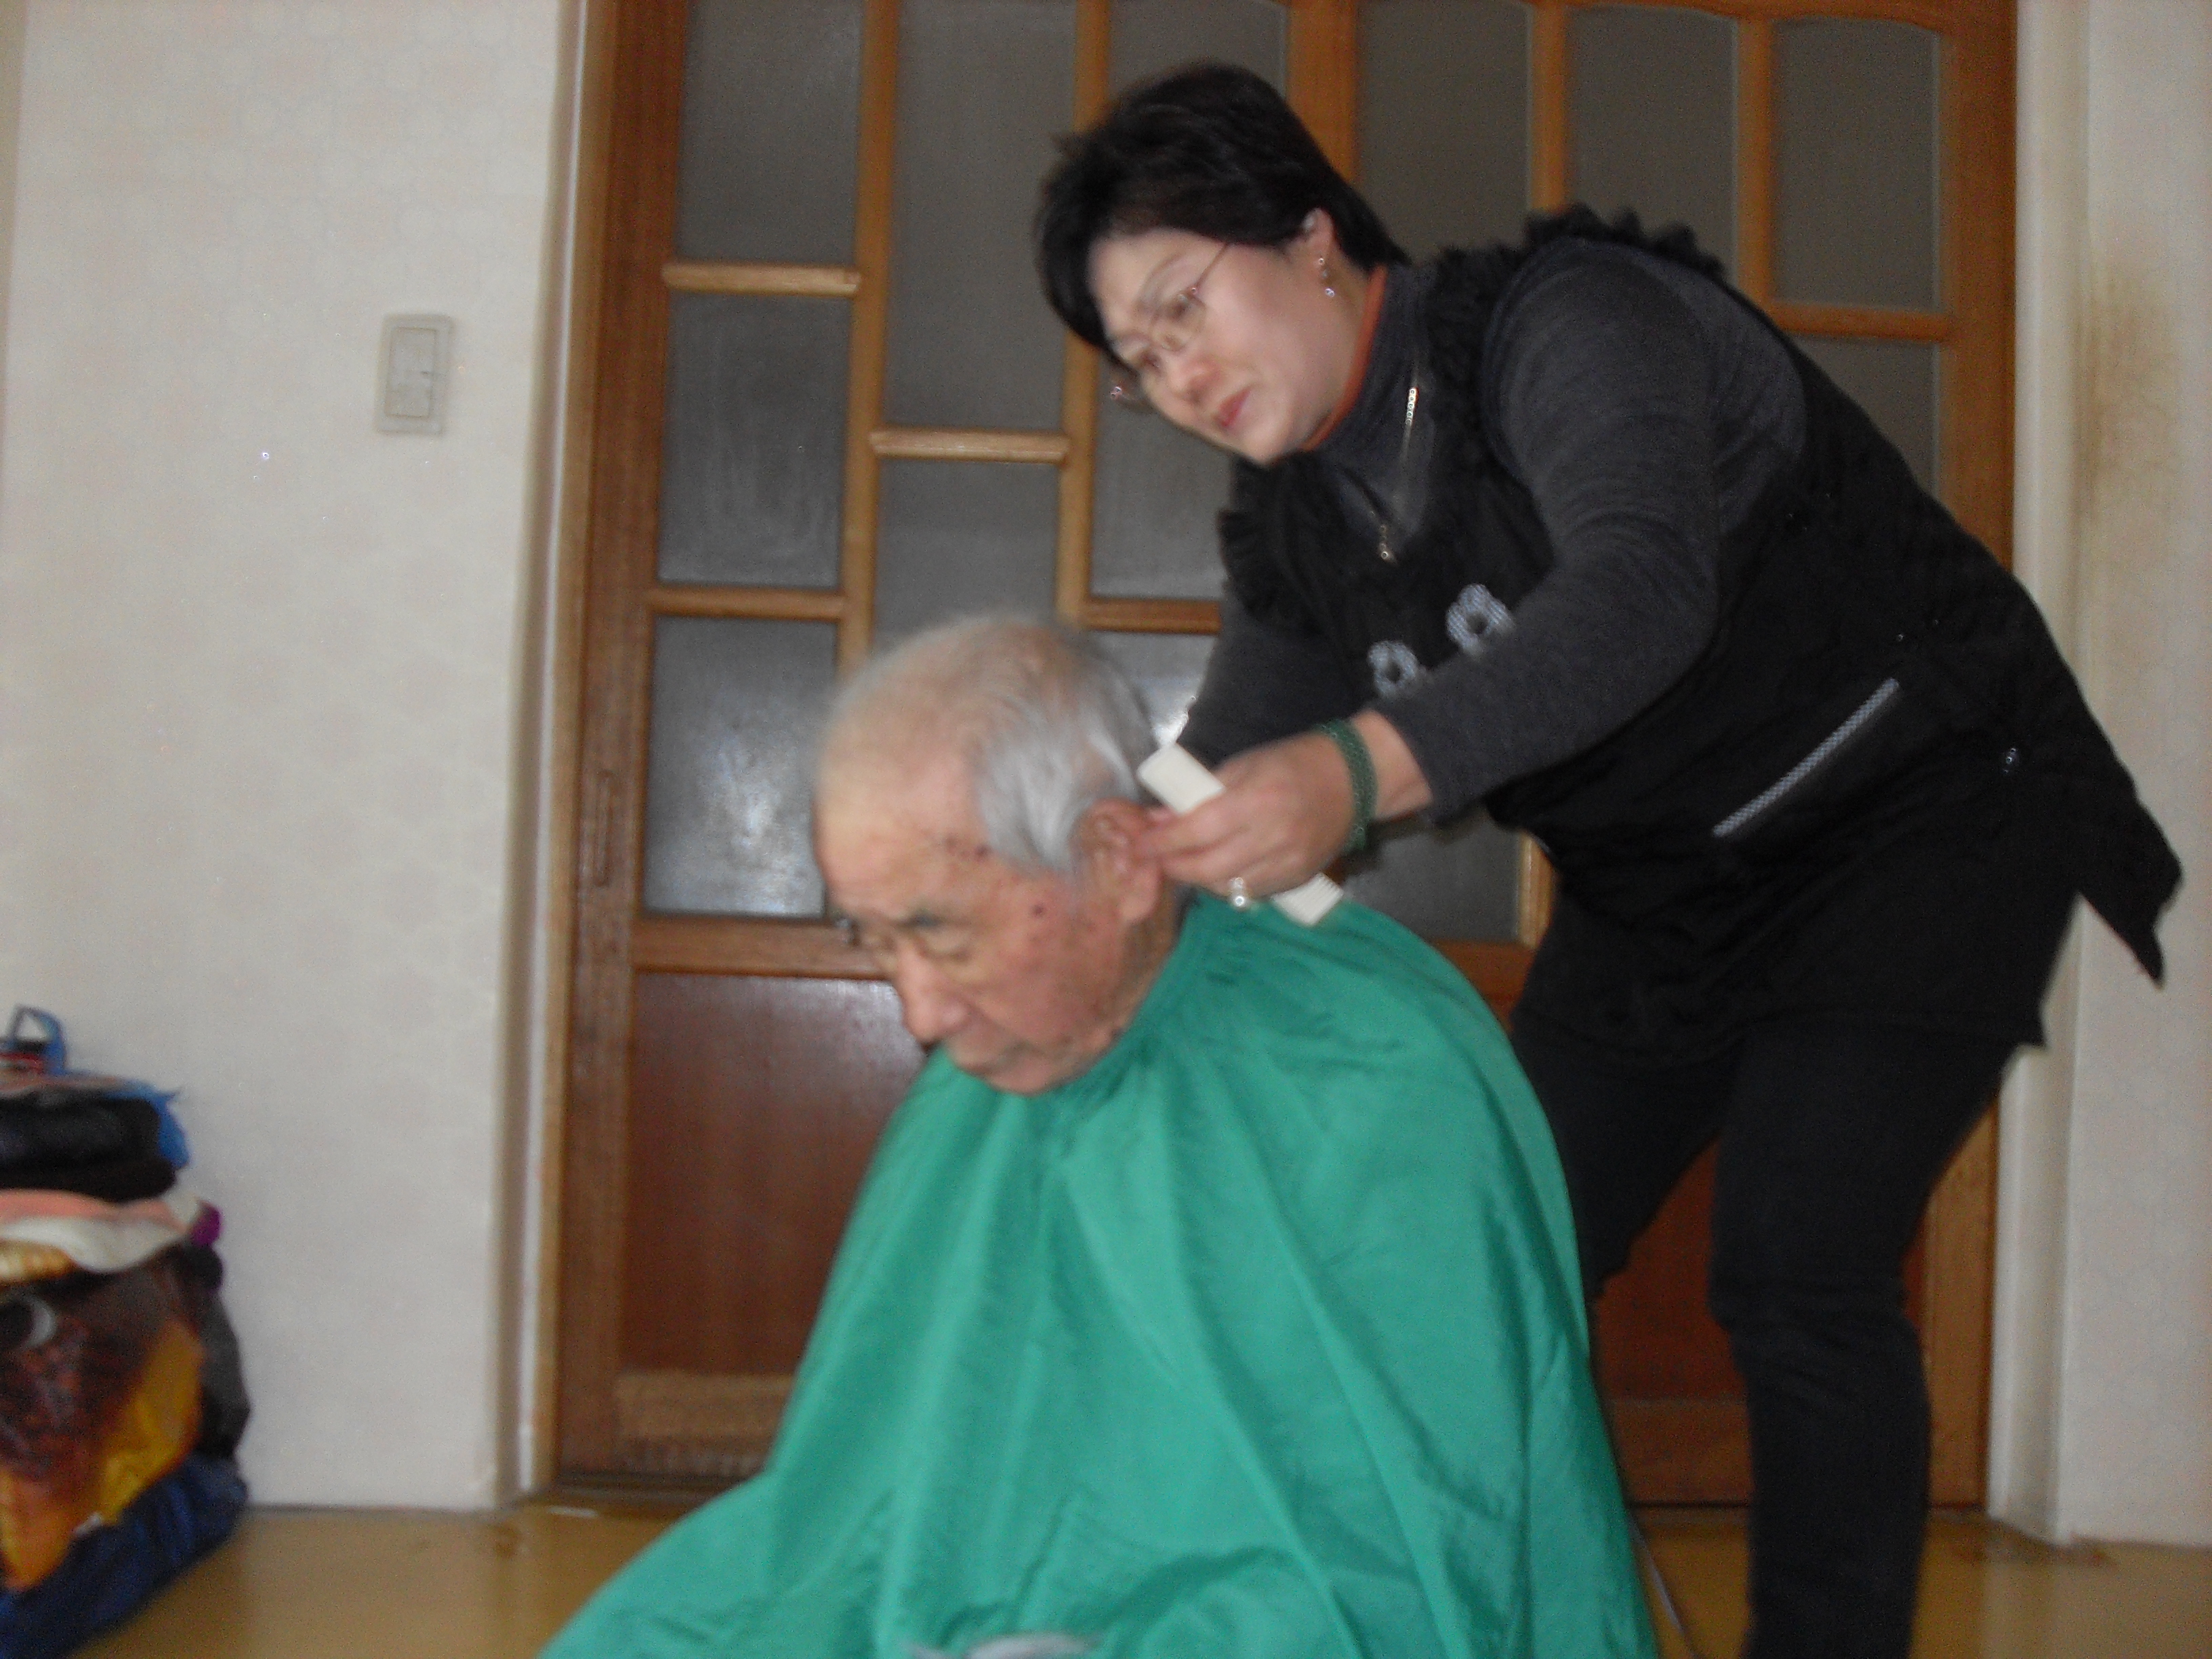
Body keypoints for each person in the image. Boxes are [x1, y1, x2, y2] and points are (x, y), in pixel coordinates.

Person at [1034, 62, 2181, 1659]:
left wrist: (1355, 772)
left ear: (1308, 237)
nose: (1177, 373)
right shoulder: (1301, 532)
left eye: (1183, 306)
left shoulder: (1567, 325)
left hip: (1918, 811)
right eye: (1139, 360)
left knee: (1798, 1261)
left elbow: (1641, 591)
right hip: (1664, 903)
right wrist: (1069, 899)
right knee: (1486, 1250)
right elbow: (1223, 772)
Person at [543, 616, 1656, 1659]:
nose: (919, 1013)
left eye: (944, 935)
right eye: (875, 941)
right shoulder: (980, 1083)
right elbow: (858, 1516)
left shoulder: (1370, 1075)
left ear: (1119, 863)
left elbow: (1402, 1560)